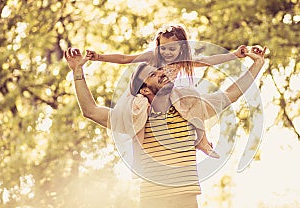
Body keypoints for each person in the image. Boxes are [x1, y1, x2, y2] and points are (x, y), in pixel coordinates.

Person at [64, 44, 266, 208]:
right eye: (153, 74)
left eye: (161, 70)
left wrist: (256, 64)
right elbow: (90, 110)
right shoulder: (135, 119)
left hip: (186, 206)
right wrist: (77, 70)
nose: (162, 73)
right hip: (152, 207)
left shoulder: (190, 108)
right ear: (143, 90)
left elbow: (230, 94)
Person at [85, 24, 248, 158]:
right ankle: (138, 156)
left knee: (192, 97)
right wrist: (99, 57)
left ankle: (202, 141)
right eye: (164, 48)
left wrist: (234, 55)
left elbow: (208, 61)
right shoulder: (152, 57)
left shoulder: (182, 61)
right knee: (139, 120)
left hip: (165, 99)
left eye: (172, 49)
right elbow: (124, 58)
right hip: (144, 96)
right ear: (158, 46)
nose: (167, 52)